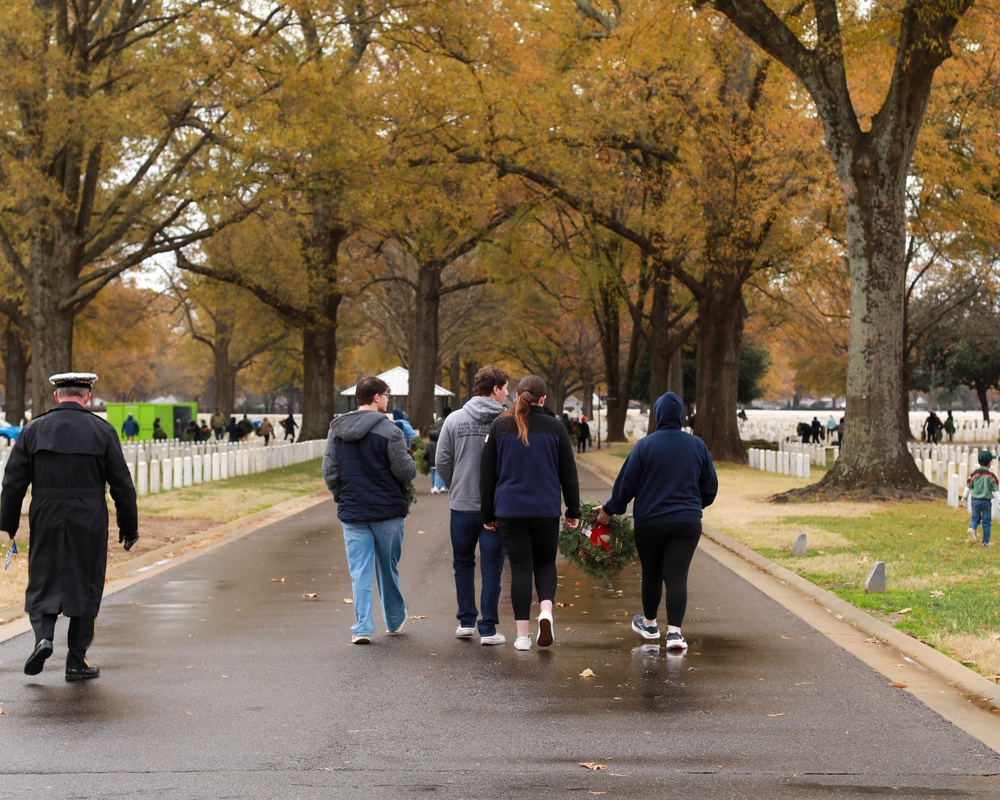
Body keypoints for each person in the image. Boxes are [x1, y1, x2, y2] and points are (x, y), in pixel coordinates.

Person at [1, 372, 138, 681]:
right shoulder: (102, 431)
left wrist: (9, 525)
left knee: (44, 575)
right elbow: (122, 485)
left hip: (46, 512)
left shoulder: (33, 430)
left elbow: (13, 482)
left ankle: (43, 637)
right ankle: (76, 660)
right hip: (88, 514)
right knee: (86, 580)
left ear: (56, 396)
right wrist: (129, 527)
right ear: (86, 396)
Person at [595, 391, 717, 651]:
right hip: (687, 521)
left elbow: (626, 485)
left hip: (650, 521)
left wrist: (609, 510)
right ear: (681, 415)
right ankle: (674, 633)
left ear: (658, 415)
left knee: (652, 573)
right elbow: (710, 487)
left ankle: (650, 624)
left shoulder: (645, 445)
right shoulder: (697, 446)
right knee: (677, 574)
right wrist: (697, 505)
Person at [481, 374, 580, 652]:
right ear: (543, 399)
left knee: (521, 569)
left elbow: (487, 475)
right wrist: (573, 509)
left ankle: (522, 636)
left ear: (517, 395)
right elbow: (568, 474)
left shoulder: (500, 426)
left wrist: (487, 513)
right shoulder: (555, 427)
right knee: (546, 564)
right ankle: (546, 611)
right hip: (545, 509)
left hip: (510, 510)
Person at [323, 376, 416, 643]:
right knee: (388, 567)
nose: (388, 399)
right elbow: (404, 471)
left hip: (354, 512)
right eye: (387, 394)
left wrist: (343, 496)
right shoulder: (391, 432)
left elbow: (330, 471)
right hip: (387, 512)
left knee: (359, 570)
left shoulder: (336, 431)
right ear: (376, 397)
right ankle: (394, 620)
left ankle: (362, 627)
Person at [435, 365, 510, 645]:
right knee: (492, 568)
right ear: (495, 389)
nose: (507, 394)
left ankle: (466, 621)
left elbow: (442, 459)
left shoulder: (454, 419)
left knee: (463, 564)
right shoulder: (507, 421)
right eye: (505, 389)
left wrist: (456, 483)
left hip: (462, 504)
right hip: (496, 507)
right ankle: (488, 628)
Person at [965, 450, 998, 547]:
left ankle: (973, 529)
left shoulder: (973, 474)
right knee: (986, 522)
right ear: (989, 463)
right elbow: (996, 491)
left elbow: (968, 487)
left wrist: (964, 498)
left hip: (975, 501)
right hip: (986, 502)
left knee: (975, 518)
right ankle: (985, 542)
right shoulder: (991, 476)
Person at [423, 429, 447, 494]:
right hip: (438, 462)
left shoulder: (428, 445)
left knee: (433, 475)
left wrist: (424, 458)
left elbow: (426, 453)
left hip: (431, 463)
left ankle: (433, 487)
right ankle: (439, 487)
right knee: (439, 475)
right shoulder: (440, 444)